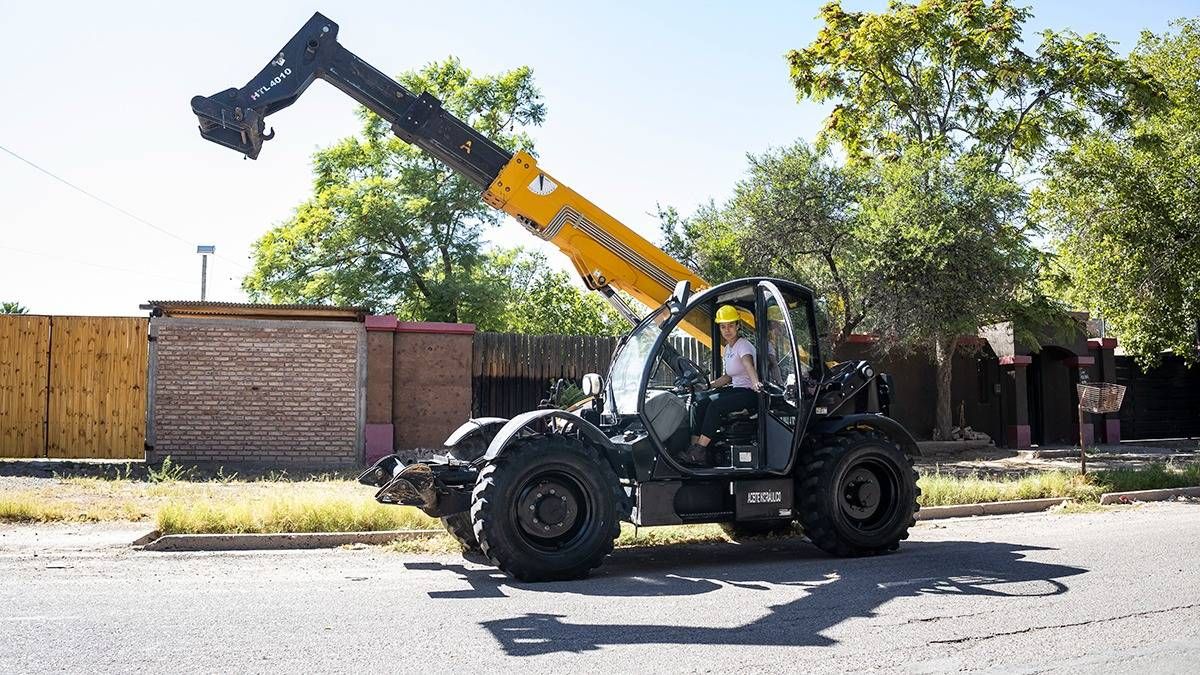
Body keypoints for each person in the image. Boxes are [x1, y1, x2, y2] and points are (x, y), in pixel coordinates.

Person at [678, 304, 764, 466]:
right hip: (735, 389)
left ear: (738, 326)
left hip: (749, 392)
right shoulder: (728, 349)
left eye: (731, 325)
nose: (727, 330)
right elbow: (728, 376)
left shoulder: (743, 345)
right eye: (723, 326)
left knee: (715, 406)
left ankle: (699, 452)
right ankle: (694, 448)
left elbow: (748, 365)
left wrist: (756, 382)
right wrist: (708, 386)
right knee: (698, 403)